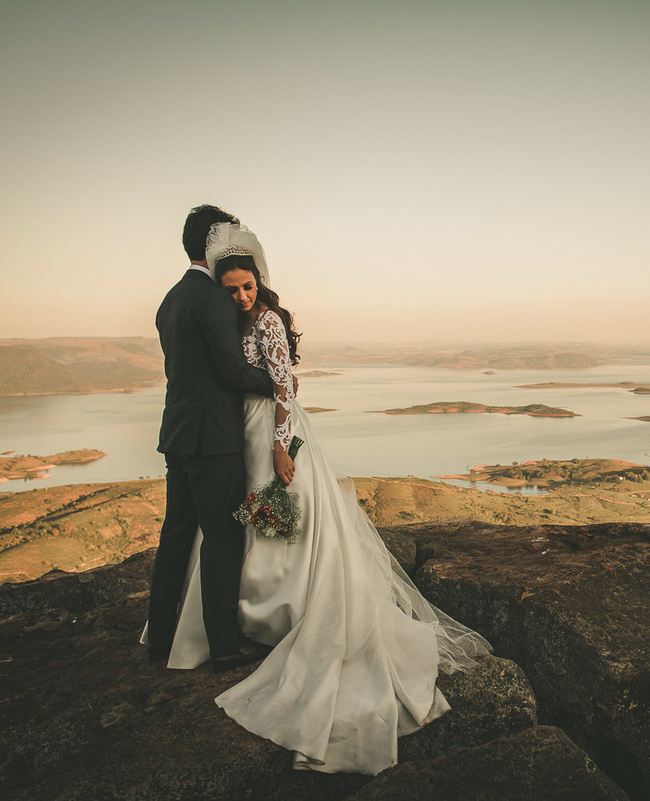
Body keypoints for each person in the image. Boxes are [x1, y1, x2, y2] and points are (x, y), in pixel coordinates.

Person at [159, 222, 492, 775]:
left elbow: (286, 386)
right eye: (232, 288)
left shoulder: (266, 322)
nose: (241, 295)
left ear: (260, 284)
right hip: (238, 429)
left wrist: (283, 445)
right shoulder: (232, 321)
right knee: (251, 521)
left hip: (273, 433)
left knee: (284, 517)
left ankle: (286, 610)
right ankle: (253, 612)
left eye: (247, 286)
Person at [147, 205, 275, 669]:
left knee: (176, 535)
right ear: (213, 243)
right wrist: (277, 383)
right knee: (223, 537)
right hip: (213, 438)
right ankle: (223, 644)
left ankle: (160, 635)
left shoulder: (170, 299)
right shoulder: (214, 299)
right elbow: (232, 371)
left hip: (177, 433)